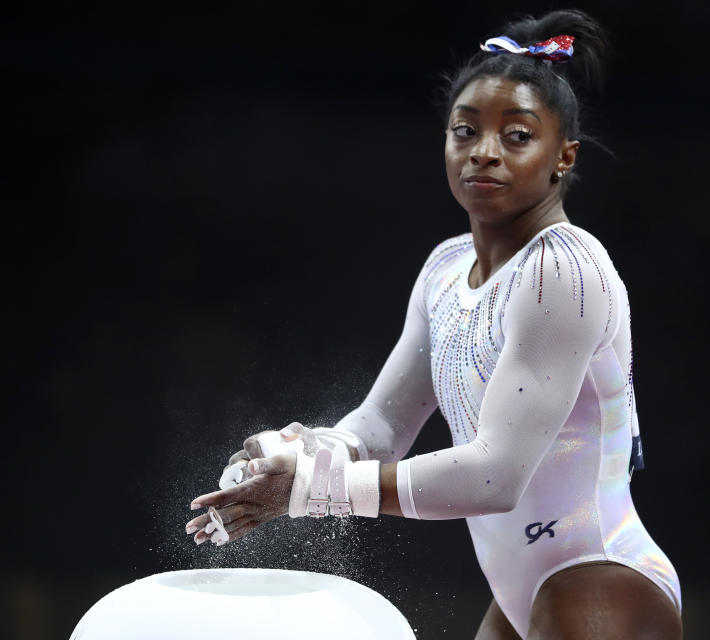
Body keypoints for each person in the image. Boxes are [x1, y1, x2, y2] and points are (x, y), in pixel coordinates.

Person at [185, 9, 682, 639]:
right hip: (518, 595)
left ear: (564, 157)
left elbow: (494, 475)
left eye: (518, 135)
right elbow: (384, 425)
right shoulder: (446, 269)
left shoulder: (566, 271)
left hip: (600, 576)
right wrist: (306, 451)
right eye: (465, 131)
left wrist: (311, 489)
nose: (485, 152)